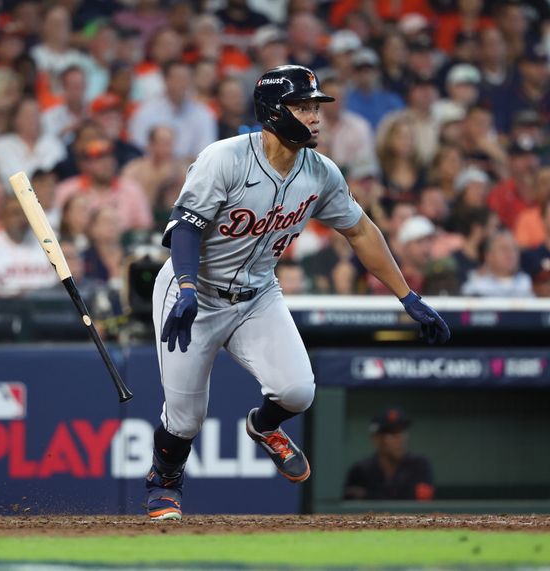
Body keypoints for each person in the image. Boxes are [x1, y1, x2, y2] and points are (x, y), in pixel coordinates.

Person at [145, 65, 450, 521]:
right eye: (303, 106)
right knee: (186, 419)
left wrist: (406, 295)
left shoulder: (321, 172)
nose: (315, 116)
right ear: (273, 110)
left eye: (315, 107)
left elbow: (362, 231)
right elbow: (186, 229)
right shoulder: (224, 158)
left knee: (297, 391)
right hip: (193, 290)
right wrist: (187, 286)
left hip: (257, 294)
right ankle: (164, 481)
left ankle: (264, 427)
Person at [343, 407, 434, 501]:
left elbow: (420, 503)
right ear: (377, 439)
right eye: (393, 433)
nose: (400, 438)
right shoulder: (360, 470)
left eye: (402, 432)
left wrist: (367, 495)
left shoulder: (419, 465)